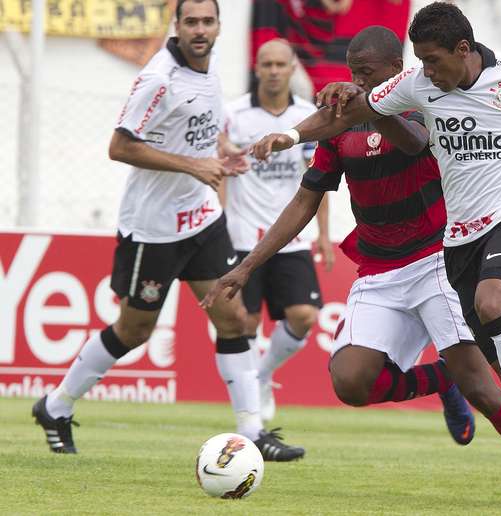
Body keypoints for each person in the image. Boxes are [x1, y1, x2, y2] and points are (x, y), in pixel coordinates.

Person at [225, 1, 501, 489]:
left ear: (462, 49)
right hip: (455, 244)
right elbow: (348, 116)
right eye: (421, 61)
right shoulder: (415, 84)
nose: (427, 71)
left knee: (493, 315)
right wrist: (290, 135)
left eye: (432, 60)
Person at [31, 0, 304, 462]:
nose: (200, 30)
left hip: (200, 219)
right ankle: (55, 406)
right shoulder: (158, 79)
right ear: (176, 26)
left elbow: (203, 126)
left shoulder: (214, 63)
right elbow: (120, 146)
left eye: (208, 21)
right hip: (154, 228)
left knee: (233, 318)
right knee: (135, 330)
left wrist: (224, 152)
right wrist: (192, 165)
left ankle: (253, 431)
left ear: (218, 26)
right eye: (191, 22)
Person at [217, 39, 335, 430]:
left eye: (279, 64)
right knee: (245, 323)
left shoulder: (307, 117)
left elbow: (317, 179)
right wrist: (219, 219)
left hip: (290, 237)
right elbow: (222, 171)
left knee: (304, 316)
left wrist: (323, 233)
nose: (272, 70)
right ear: (257, 67)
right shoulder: (233, 114)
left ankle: (262, 377)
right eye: (265, 63)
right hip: (241, 235)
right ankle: (251, 401)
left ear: (291, 67)